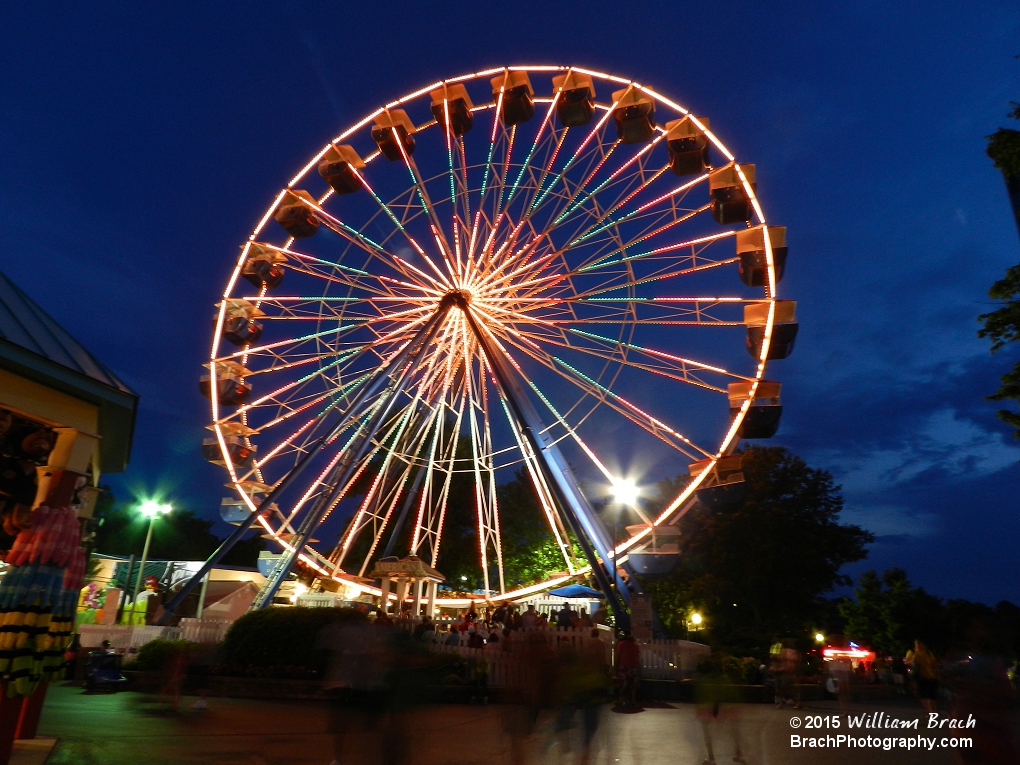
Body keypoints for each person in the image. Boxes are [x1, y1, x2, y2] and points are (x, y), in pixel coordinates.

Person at [905, 640, 939, 714]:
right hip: (921, 677)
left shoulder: (928, 653)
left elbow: (934, 664)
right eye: (917, 644)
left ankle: (933, 710)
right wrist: (914, 660)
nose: (919, 646)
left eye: (920, 644)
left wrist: (937, 674)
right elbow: (908, 662)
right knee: (925, 695)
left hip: (931, 676)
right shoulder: (913, 653)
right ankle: (930, 711)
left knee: (931, 695)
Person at [614, 631, 640, 707]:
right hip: (633, 666)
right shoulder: (634, 645)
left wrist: (616, 666)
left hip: (624, 666)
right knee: (632, 685)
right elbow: (637, 657)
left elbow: (618, 656)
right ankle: (633, 700)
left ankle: (620, 699)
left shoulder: (621, 644)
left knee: (622, 684)